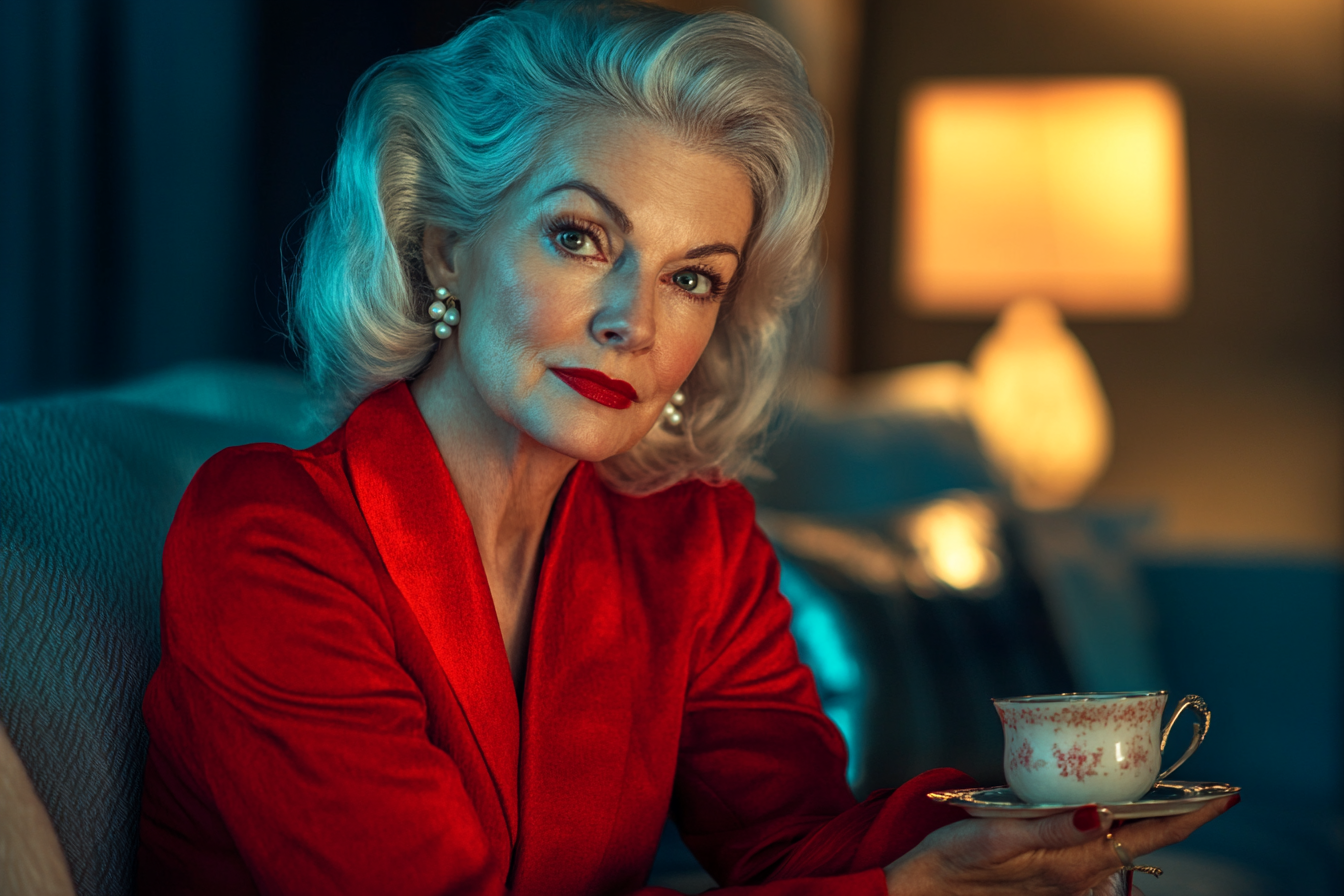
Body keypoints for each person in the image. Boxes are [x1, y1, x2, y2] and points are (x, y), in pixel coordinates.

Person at [136, 2, 1234, 894]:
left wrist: (1019, 827)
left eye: (692, 275)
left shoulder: (690, 540)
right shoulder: (270, 535)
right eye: (580, 237)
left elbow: (789, 838)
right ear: (444, 248)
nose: (635, 321)